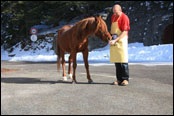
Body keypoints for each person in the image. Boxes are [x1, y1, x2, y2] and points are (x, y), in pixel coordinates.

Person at [109, 4, 130, 86]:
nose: (114, 13)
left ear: (120, 10)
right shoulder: (113, 17)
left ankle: (125, 79)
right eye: (113, 11)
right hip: (114, 40)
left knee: (123, 60)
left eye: (116, 11)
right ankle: (119, 79)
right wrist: (111, 39)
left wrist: (116, 40)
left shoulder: (124, 17)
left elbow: (125, 32)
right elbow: (113, 31)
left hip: (122, 41)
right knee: (117, 61)